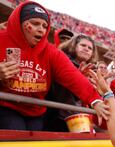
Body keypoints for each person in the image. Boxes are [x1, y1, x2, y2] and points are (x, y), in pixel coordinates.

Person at [0, 1, 109, 131]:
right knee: (15, 134)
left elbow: (72, 76)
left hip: (35, 110)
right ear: (19, 23)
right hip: (6, 105)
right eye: (35, 23)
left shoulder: (50, 51)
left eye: (45, 25)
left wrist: (95, 100)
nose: (41, 29)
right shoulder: (2, 40)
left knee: (32, 144)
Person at [45, 33, 99, 132]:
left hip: (78, 117)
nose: (86, 49)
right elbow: (58, 92)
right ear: (73, 46)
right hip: (59, 116)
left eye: (90, 48)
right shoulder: (62, 61)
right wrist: (79, 78)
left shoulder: (91, 70)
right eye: (83, 45)